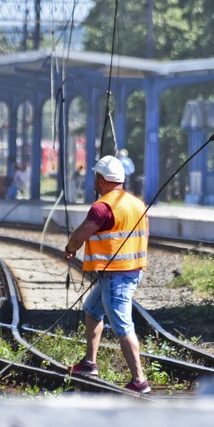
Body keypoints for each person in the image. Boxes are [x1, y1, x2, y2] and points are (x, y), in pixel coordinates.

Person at [63, 155, 150, 393]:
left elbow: (80, 235)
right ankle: (90, 363)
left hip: (116, 274)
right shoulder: (136, 203)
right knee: (92, 310)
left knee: (123, 326)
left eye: (95, 176)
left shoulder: (102, 207)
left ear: (101, 179)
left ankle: (139, 381)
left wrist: (71, 248)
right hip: (132, 269)